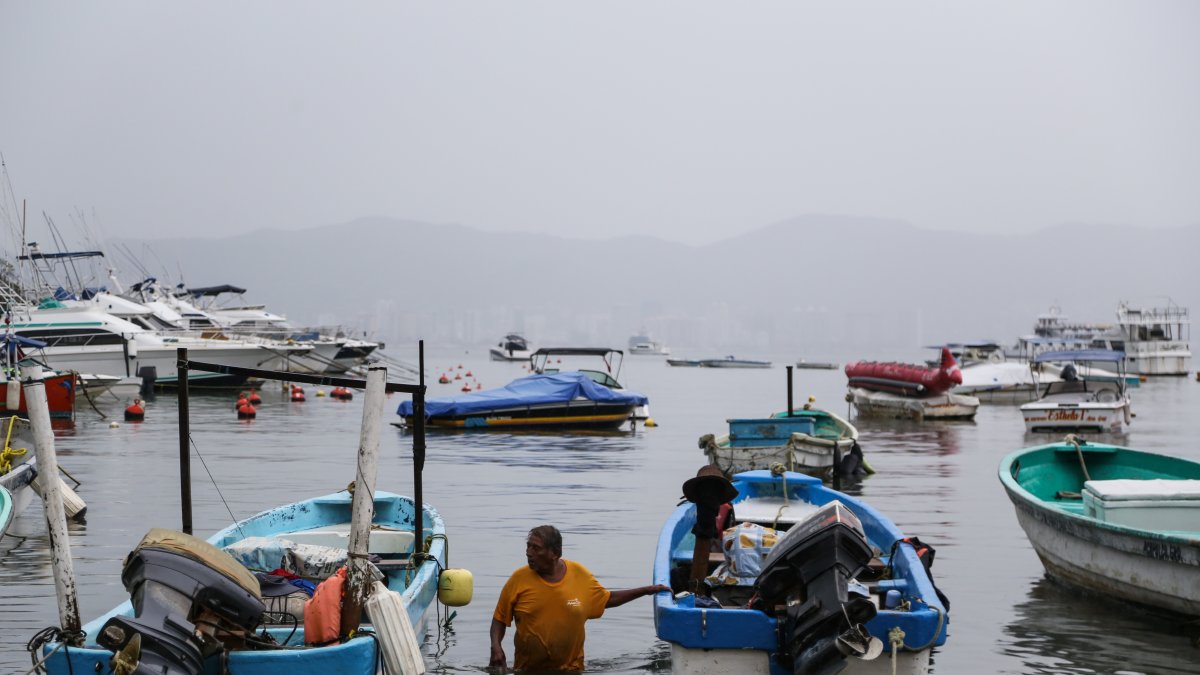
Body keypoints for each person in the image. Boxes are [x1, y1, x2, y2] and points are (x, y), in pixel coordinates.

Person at [489, 525, 669, 672]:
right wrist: (496, 647)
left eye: (536, 548)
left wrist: (646, 590)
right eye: (528, 546)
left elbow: (607, 599)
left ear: (555, 553)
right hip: (527, 670)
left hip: (571, 670)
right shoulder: (518, 579)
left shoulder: (579, 575)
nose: (528, 553)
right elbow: (499, 618)